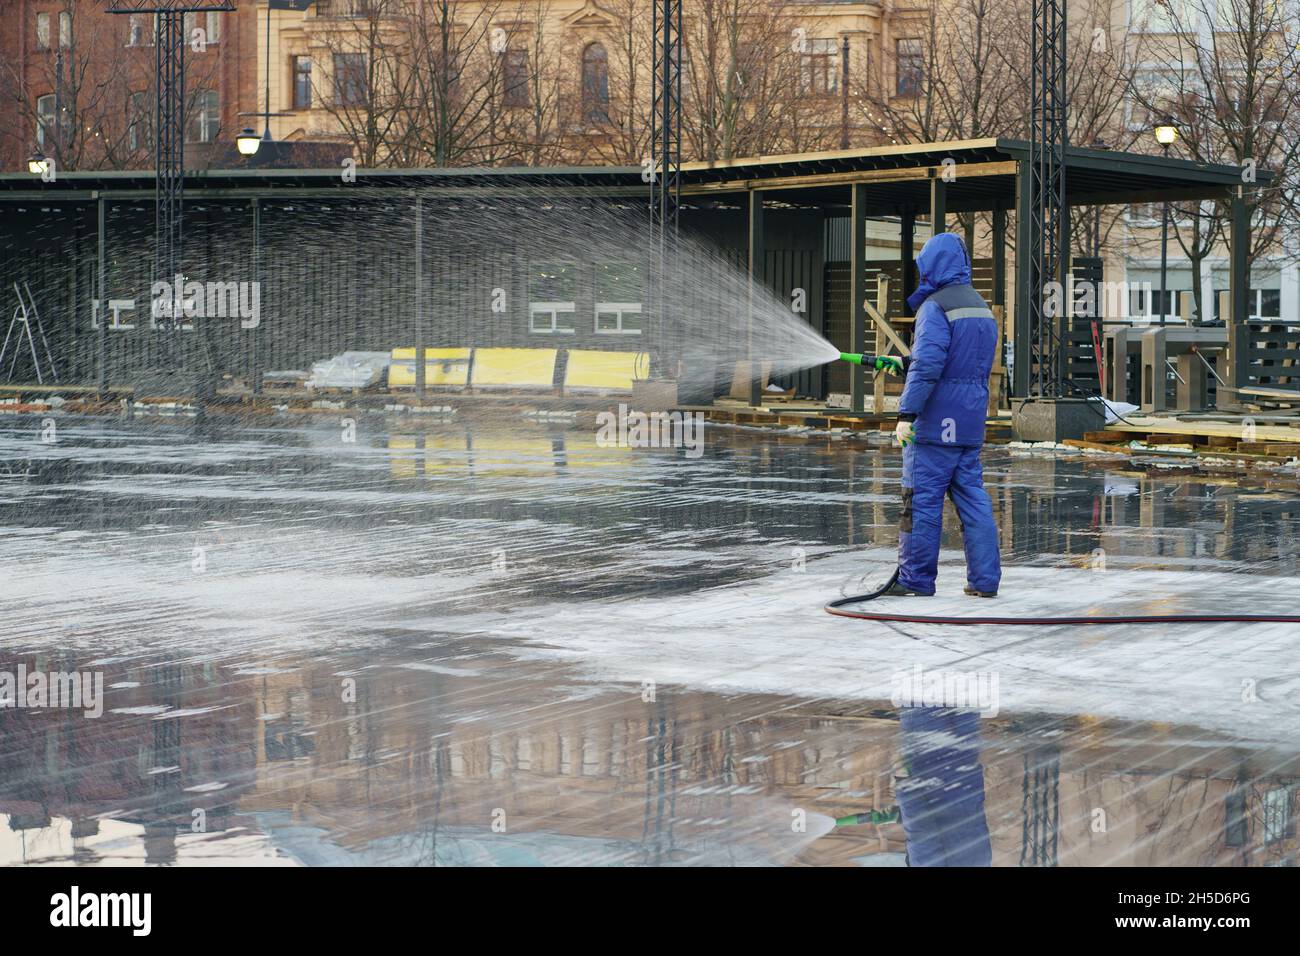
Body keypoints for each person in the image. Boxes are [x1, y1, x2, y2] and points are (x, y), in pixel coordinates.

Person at [888, 232, 1001, 598]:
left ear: (934, 266)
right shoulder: (980, 306)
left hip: (935, 425)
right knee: (973, 500)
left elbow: (931, 366)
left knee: (920, 501)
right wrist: (908, 362)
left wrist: (907, 412)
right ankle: (985, 582)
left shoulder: (934, 306)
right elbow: (960, 361)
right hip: (968, 422)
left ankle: (915, 580)